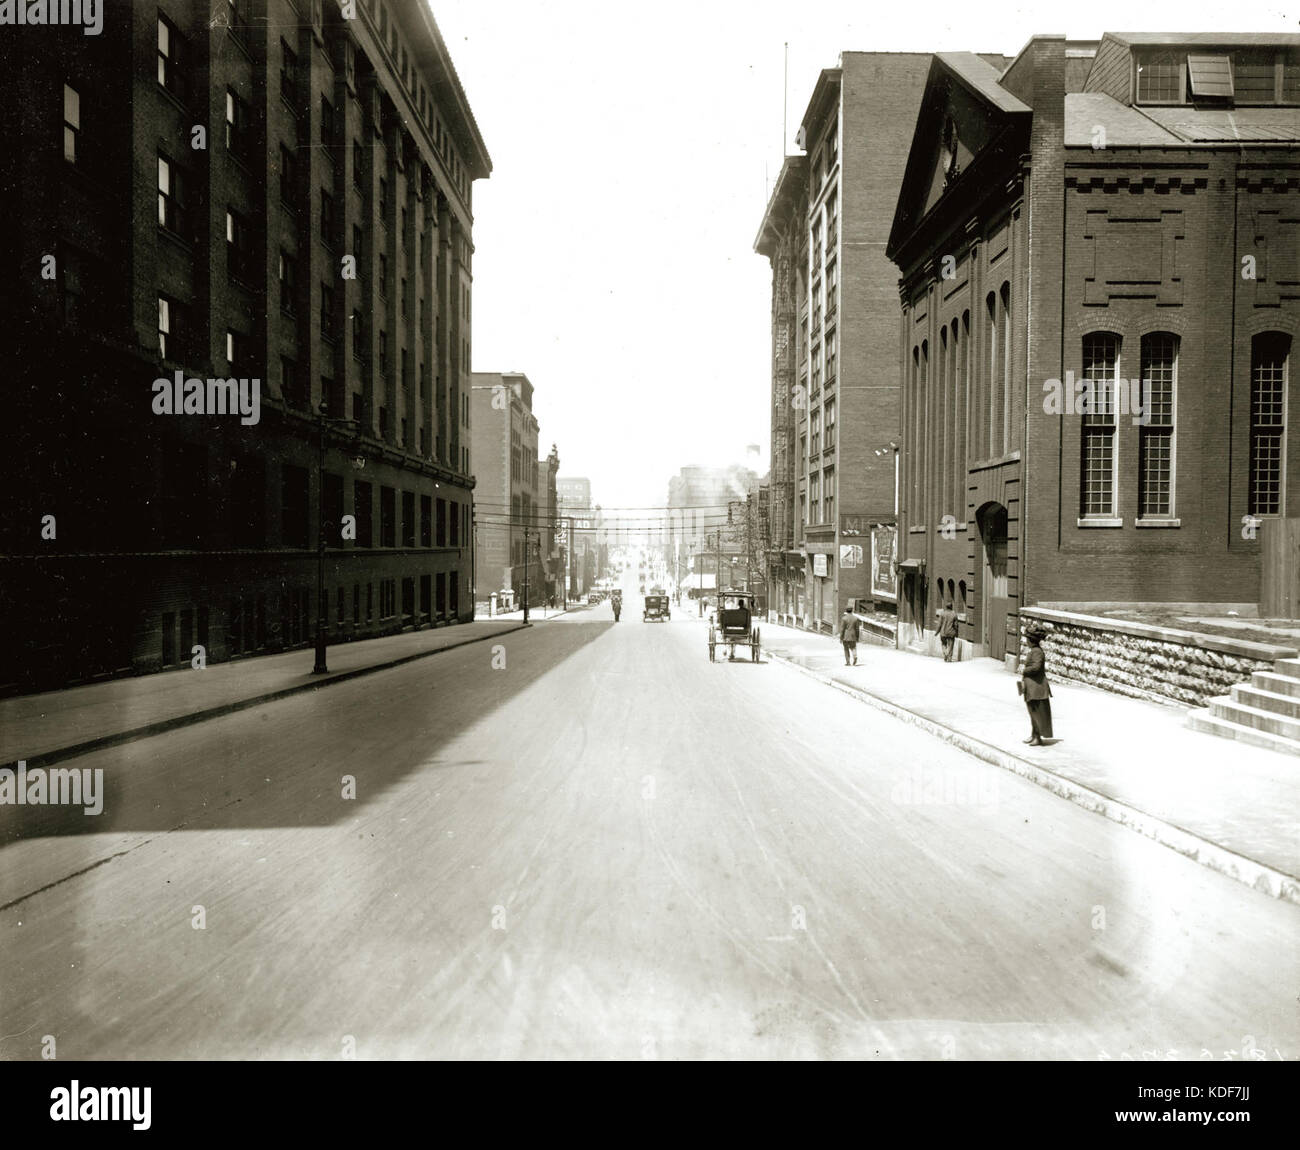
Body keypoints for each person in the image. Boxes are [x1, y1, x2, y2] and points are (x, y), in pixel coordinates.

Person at [1020, 622, 1053, 746]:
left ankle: (1037, 738)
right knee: (1032, 713)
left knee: (1036, 714)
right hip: (1032, 687)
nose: (1026, 642)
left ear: (1031, 640)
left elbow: (1036, 668)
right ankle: (1033, 735)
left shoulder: (1037, 652)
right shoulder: (1034, 651)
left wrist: (1025, 670)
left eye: (1027, 639)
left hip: (1037, 688)